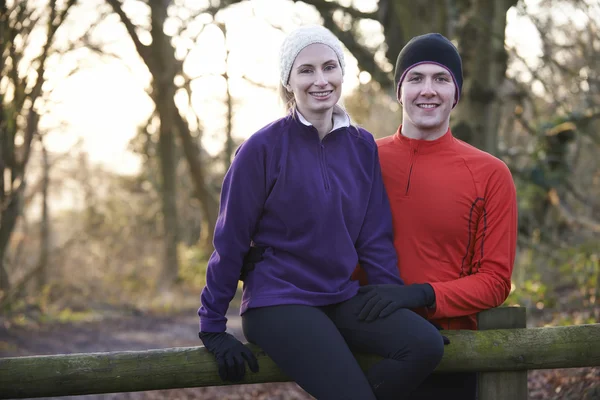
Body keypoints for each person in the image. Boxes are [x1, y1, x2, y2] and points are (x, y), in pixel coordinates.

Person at [197, 25, 445, 400]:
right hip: (279, 302)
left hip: (341, 296)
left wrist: (398, 306)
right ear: (288, 81)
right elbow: (229, 242)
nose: (320, 80)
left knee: (425, 346)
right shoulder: (261, 149)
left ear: (342, 74)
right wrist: (213, 326)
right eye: (306, 70)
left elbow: (373, 237)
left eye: (329, 67)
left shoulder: (361, 145)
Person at [352, 33, 518, 399]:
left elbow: (495, 281)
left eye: (441, 79)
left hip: (451, 354)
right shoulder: (358, 158)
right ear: (399, 91)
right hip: (363, 347)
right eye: (415, 78)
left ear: (456, 93)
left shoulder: (490, 174)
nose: (428, 90)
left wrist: (421, 294)